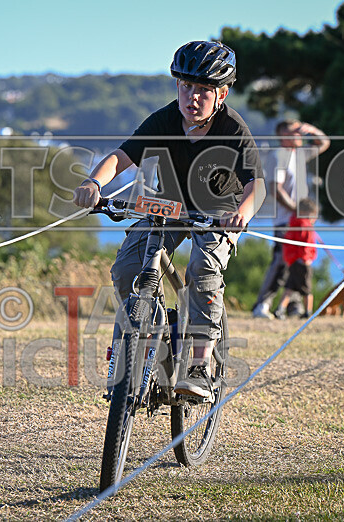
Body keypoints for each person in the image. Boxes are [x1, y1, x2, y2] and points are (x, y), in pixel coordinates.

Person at [73, 41, 265, 400]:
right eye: (185, 86)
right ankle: (152, 335)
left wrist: (244, 212)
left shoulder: (233, 129)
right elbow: (121, 156)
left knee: (202, 272)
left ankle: (199, 366)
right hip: (170, 205)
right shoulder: (164, 120)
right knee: (129, 267)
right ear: (177, 86)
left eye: (204, 90)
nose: (192, 97)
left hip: (220, 212)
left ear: (221, 94)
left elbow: (257, 184)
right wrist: (93, 182)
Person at [251, 119, 329, 319]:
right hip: (286, 220)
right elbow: (275, 189)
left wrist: (312, 128)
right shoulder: (280, 155)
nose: (300, 135)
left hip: (300, 220)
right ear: (283, 136)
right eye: (295, 132)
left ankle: (293, 307)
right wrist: (297, 210)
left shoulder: (299, 155)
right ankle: (262, 305)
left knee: (298, 264)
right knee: (281, 262)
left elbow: (324, 143)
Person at [274, 198, 318, 320]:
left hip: (293, 260)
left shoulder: (293, 222)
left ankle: (280, 309)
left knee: (290, 287)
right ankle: (308, 312)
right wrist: (307, 258)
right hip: (303, 261)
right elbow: (306, 243)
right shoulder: (305, 225)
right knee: (307, 289)